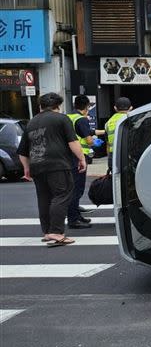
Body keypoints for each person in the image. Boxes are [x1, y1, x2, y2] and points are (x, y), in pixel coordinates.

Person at [17, 93, 87, 247]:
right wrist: (82, 158)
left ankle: (48, 232)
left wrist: (26, 168)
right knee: (62, 195)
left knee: (44, 198)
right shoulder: (62, 118)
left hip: (37, 165)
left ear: (40, 106)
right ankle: (56, 232)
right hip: (58, 164)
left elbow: (22, 151)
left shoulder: (31, 122)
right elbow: (73, 141)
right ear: (58, 106)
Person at [66, 95, 98, 229]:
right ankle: (73, 219)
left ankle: (76, 216)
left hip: (68, 156)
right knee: (77, 190)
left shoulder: (68, 117)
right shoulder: (81, 119)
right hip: (79, 157)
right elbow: (89, 140)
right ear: (87, 107)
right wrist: (95, 141)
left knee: (72, 188)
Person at [105, 96, 132, 173]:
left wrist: (110, 158)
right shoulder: (132, 119)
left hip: (113, 155)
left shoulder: (108, 123)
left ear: (115, 108)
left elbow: (108, 144)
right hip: (128, 155)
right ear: (131, 108)